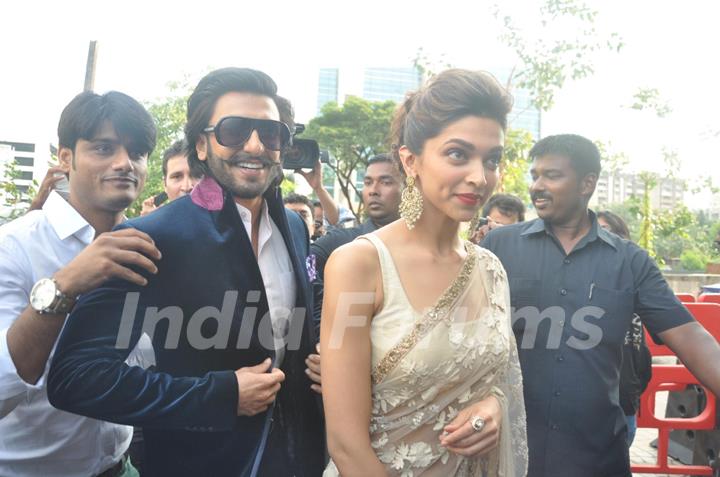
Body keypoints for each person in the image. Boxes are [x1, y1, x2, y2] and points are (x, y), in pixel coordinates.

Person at [47, 67, 325, 477]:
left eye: (271, 133)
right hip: (198, 461)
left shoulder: (296, 228)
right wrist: (219, 395)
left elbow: (290, 338)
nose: (255, 145)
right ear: (201, 145)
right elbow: (77, 379)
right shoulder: (149, 237)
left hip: (296, 458)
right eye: (234, 130)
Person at [320, 69, 528, 476]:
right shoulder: (359, 265)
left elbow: (499, 381)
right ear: (410, 160)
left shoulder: (490, 269)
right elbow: (346, 445)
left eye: (492, 160)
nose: (479, 176)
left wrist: (493, 409)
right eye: (457, 154)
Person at [481, 134, 720, 477]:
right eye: (535, 175)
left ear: (587, 183)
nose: (537, 186)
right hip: (510, 454)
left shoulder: (630, 261)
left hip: (595, 456)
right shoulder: (499, 247)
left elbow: (691, 336)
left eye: (552, 175)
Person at [0, 91, 159, 476]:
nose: (124, 163)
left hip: (120, 467)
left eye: (136, 153)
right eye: (104, 148)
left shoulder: (150, 248)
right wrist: (65, 285)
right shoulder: (14, 246)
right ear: (65, 157)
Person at [597, 210, 652, 447]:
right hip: (581, 407)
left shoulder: (637, 283)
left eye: (605, 230)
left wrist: (633, 391)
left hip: (623, 403)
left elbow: (641, 354)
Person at [140, 139, 202, 215]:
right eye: (177, 177)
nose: (187, 187)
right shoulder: (150, 224)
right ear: (165, 185)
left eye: (197, 175)